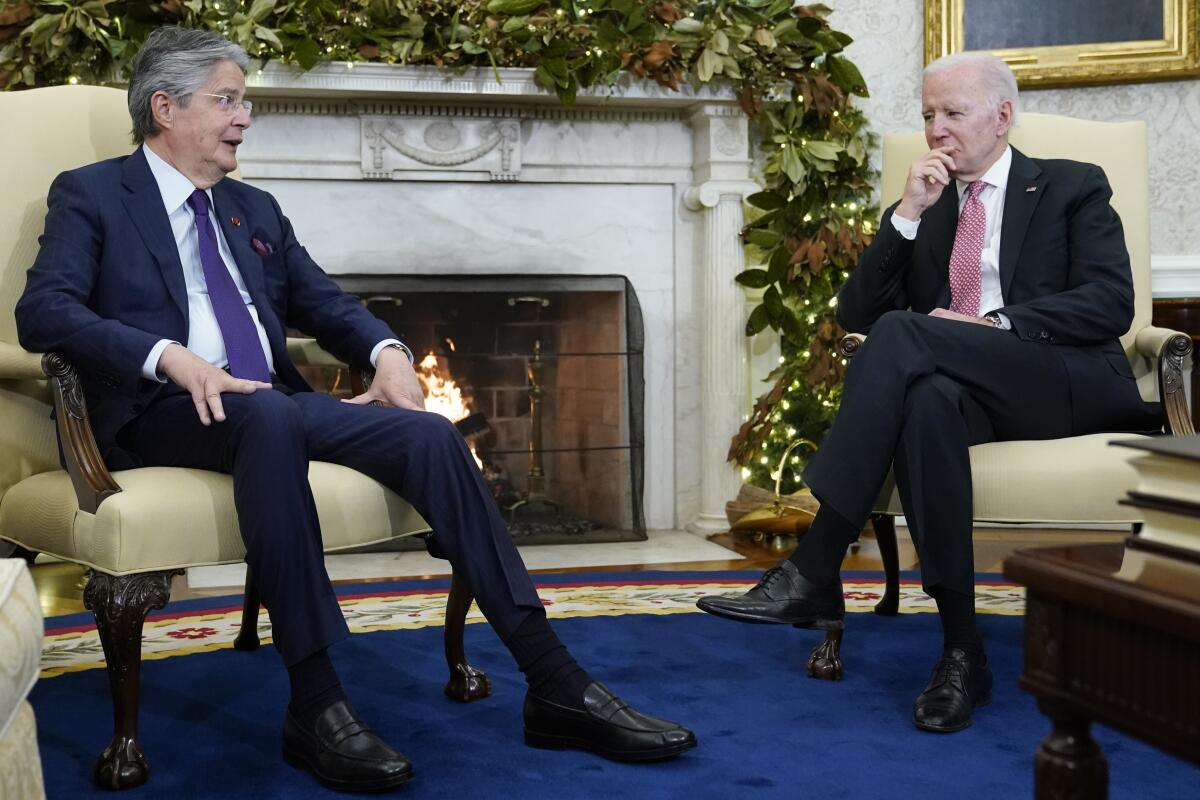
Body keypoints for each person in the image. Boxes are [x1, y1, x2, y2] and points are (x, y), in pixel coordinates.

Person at [17, 26, 694, 792]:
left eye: (246, 101)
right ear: (165, 108)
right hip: (159, 411)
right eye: (227, 100)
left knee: (430, 435)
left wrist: (388, 355)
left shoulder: (253, 209)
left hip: (266, 405)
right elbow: (43, 313)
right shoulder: (95, 192)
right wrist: (164, 354)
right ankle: (316, 702)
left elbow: (327, 304)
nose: (244, 117)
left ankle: (555, 682)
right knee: (270, 416)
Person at [697, 52, 1161, 733]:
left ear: (1001, 117)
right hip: (966, 391)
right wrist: (908, 213)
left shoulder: (1071, 186)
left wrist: (994, 324)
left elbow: (1110, 303)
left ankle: (816, 563)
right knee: (925, 402)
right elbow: (853, 316)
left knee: (907, 336)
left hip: (1062, 379)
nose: (936, 131)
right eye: (926, 116)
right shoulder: (928, 203)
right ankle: (961, 652)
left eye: (953, 113)